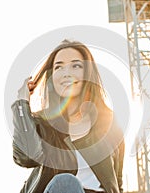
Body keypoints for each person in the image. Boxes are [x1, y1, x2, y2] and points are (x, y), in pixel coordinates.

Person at [11, 40, 125, 193]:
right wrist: (22, 105)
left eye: (76, 65)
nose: (66, 73)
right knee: (66, 183)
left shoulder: (109, 124)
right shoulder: (43, 124)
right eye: (59, 67)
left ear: (88, 73)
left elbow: (117, 183)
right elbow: (26, 157)